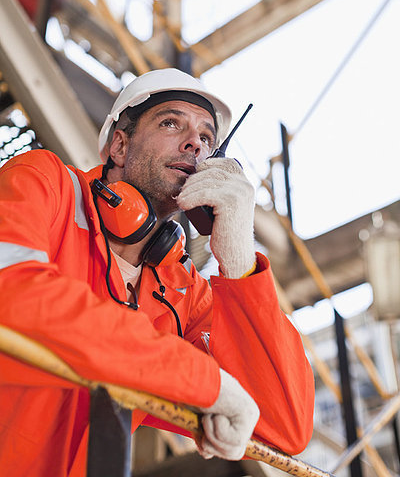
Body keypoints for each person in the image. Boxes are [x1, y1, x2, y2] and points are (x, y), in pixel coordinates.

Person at [0, 68, 314, 477]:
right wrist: (200, 381)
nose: (195, 144)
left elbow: (282, 426)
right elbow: (12, 297)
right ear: (119, 145)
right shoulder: (46, 183)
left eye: (207, 138)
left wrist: (238, 261)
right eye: (171, 122)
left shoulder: (182, 291)